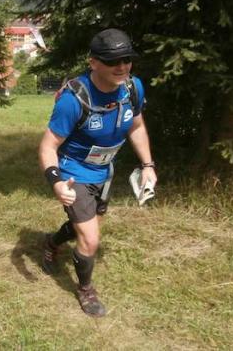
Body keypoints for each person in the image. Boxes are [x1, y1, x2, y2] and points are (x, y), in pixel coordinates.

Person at [38, 28, 157, 317]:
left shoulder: (132, 88)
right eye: (113, 60)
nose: (122, 67)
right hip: (73, 173)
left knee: (88, 225)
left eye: (127, 59)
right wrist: (55, 182)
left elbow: (137, 127)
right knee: (90, 239)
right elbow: (47, 146)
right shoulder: (73, 99)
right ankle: (85, 290)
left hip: (105, 172)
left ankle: (51, 243)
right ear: (93, 63)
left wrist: (148, 166)